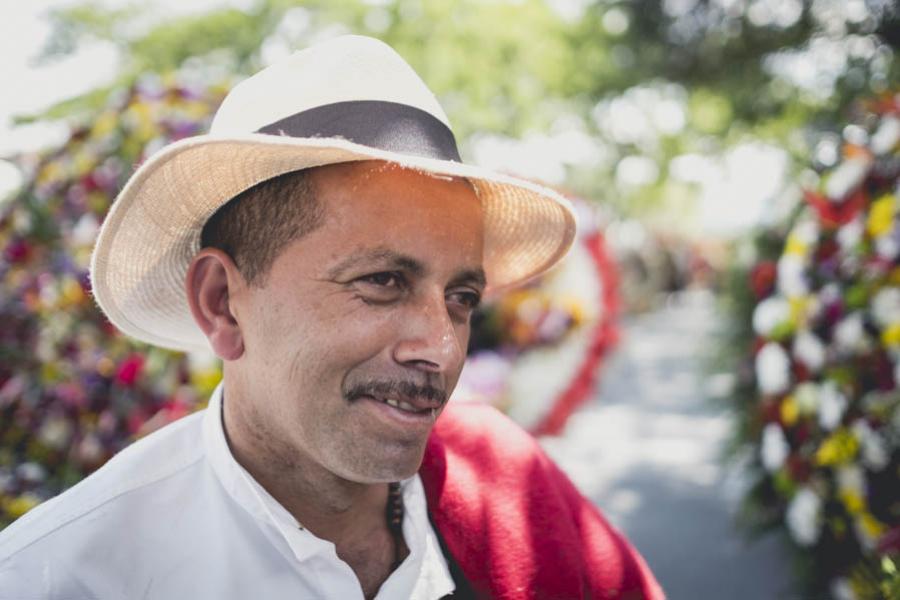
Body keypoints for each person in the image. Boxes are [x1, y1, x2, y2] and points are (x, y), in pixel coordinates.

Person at [0, 35, 663, 599]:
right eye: (382, 282)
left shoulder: (509, 481)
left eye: (461, 297)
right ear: (221, 303)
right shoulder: (63, 575)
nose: (439, 345)